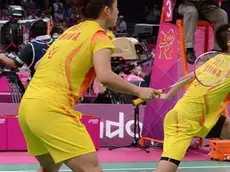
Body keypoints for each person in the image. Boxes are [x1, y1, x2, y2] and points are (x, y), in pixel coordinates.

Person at [18, 0, 161, 171]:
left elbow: (39, 65)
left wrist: (84, 65)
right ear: (107, 11)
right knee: (91, 169)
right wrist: (139, 90)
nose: (118, 13)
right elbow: (105, 77)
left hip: (28, 107)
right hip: (52, 107)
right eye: (117, 8)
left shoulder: (71, 31)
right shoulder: (101, 37)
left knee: (49, 166)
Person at [155, 23, 230, 172]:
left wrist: (168, 95)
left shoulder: (217, 59)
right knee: (166, 169)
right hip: (182, 121)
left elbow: (187, 77)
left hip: (199, 117)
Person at [178, 0, 228, 64]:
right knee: (192, 11)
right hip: (185, 4)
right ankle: (189, 49)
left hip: (205, 5)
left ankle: (218, 50)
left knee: (221, 14)